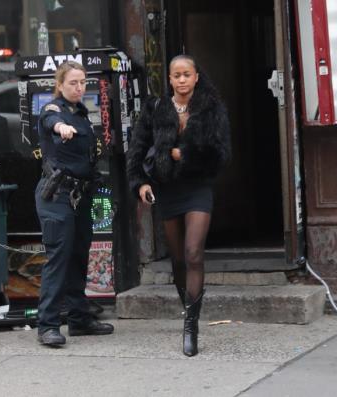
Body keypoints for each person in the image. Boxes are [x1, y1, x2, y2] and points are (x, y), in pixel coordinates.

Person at [127, 55, 231, 357]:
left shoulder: (211, 109)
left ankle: (191, 326)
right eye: (177, 75)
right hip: (167, 190)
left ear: (196, 77)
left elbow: (221, 155)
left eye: (187, 74)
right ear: (170, 79)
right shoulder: (155, 109)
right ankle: (188, 307)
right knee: (178, 261)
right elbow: (136, 150)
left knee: (193, 252)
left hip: (197, 188)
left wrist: (182, 155)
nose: (182, 80)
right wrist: (141, 184)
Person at [35, 61, 113, 346]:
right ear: (60, 85)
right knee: (59, 258)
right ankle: (48, 325)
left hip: (81, 197)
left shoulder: (82, 114)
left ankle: (79, 319)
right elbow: (49, 121)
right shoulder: (53, 110)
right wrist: (61, 128)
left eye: (82, 82)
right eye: (73, 83)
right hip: (56, 196)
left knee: (80, 256)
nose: (79, 88)